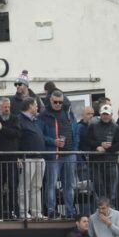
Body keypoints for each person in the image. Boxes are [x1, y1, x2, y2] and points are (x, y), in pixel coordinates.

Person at [39, 90, 80, 219]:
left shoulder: (68, 112)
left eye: (60, 102)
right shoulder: (43, 115)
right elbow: (40, 136)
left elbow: (76, 131)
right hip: (54, 155)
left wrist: (75, 148)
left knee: (69, 185)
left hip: (69, 153)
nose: (57, 104)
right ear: (50, 101)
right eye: (55, 102)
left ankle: (70, 211)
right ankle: (51, 210)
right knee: (51, 185)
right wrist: (53, 142)